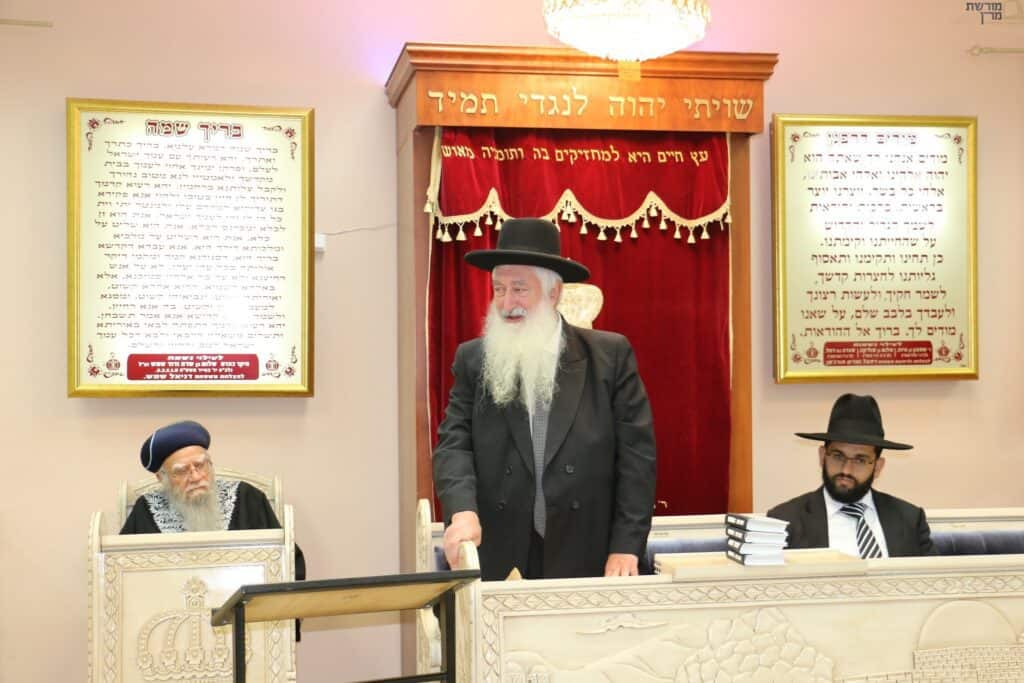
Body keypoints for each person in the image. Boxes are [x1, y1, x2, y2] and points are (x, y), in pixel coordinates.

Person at [432, 217, 657, 580]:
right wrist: (462, 512)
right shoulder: (474, 360)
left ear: (554, 294)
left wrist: (626, 546)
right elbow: (453, 444)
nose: (507, 303)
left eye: (519, 289)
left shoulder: (609, 357)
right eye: (499, 289)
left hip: (588, 552)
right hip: (501, 551)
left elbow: (637, 459)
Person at [121, 419, 306, 577]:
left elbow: (287, 561)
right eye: (182, 471)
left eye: (200, 465)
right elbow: (123, 568)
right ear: (162, 478)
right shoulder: (146, 509)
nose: (195, 477)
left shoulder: (247, 498)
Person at [766, 393, 935, 557]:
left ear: (878, 466)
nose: (846, 470)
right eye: (838, 456)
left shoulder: (909, 519)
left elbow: (935, 575)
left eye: (860, 460)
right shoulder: (785, 521)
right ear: (822, 456)